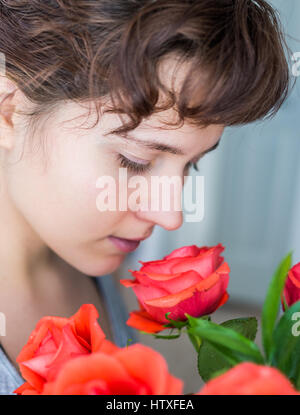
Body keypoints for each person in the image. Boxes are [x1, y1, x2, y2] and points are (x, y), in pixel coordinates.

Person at [0, 0, 293, 394]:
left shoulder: (98, 261)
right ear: (8, 111)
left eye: (192, 165)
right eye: (135, 161)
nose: (170, 216)